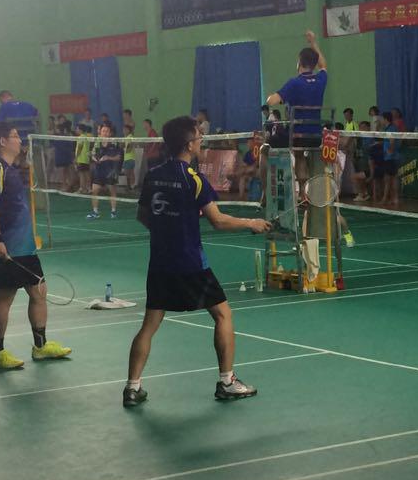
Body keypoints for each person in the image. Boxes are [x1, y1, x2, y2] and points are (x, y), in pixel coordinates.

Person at [124, 116, 272, 408]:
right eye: (199, 138)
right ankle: (227, 382)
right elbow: (218, 221)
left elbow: (143, 216)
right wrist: (251, 223)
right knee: (223, 315)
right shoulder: (193, 179)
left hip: (160, 263)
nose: (201, 141)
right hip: (191, 263)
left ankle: (132, 388)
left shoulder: (153, 175)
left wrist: (167, 231)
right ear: (189, 144)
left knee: (149, 325)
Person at [0, 122, 72, 370]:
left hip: (25, 246)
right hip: (7, 245)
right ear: (2, 141)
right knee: (5, 297)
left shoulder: (10, 168)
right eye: (15, 136)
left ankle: (41, 346)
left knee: (39, 291)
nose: (20, 140)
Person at [266, 30, 328, 195]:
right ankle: (308, 194)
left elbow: (272, 101)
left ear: (299, 62)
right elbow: (323, 65)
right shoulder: (321, 80)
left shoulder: (294, 83)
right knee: (301, 153)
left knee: (267, 146)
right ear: (314, 64)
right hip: (316, 136)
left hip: (297, 136)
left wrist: (271, 97)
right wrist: (313, 42)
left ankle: (270, 193)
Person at [88, 123, 123, 219]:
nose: (105, 133)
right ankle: (95, 212)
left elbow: (118, 157)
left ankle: (113, 212)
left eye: (107, 131)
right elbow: (92, 154)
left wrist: (108, 157)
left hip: (110, 172)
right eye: (103, 131)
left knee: (112, 192)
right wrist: (94, 159)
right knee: (94, 191)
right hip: (99, 171)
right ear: (100, 132)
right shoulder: (97, 142)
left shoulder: (114, 143)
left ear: (110, 133)